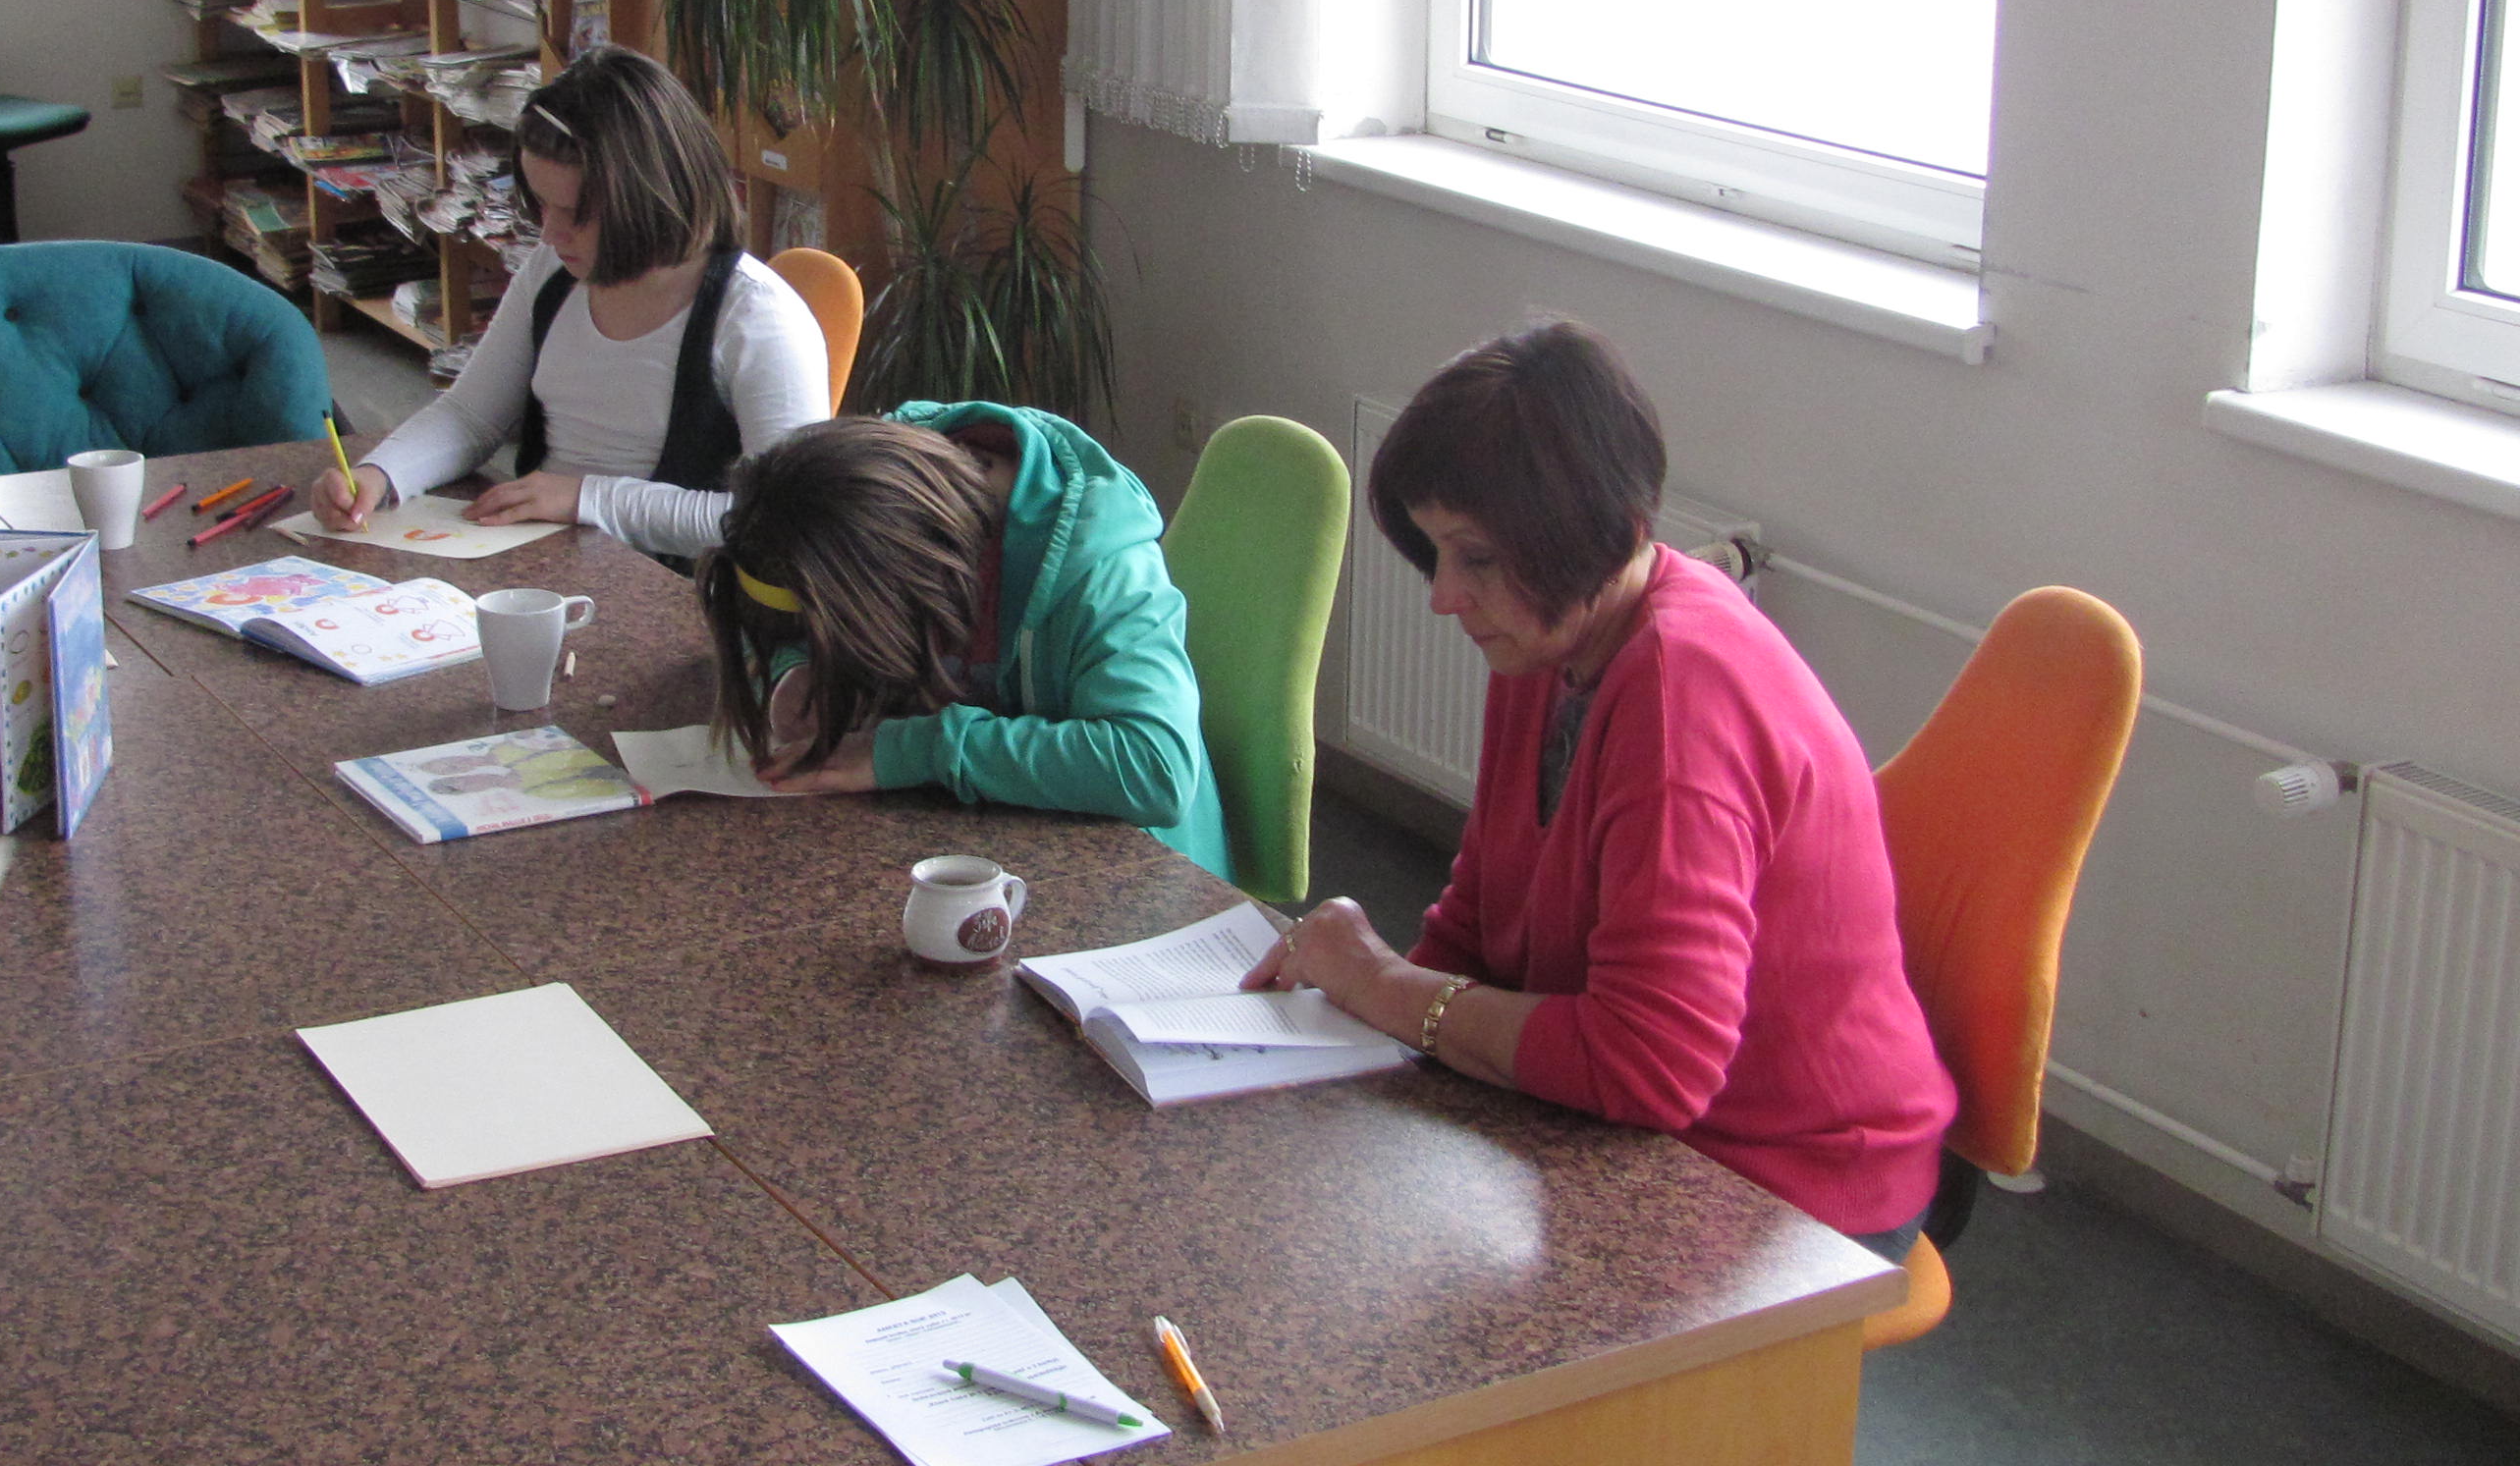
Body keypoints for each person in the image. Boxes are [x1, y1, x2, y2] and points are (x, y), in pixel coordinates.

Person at [1241, 324, 1954, 1253]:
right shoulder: (1552, 641)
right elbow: (1483, 916)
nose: (1443, 596)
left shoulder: (1679, 697)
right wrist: (1375, 1033)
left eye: (1476, 557)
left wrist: (1382, 984)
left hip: (1792, 1180)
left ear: (1589, 538)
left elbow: (1653, 1068)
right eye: (1438, 554)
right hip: (1647, 1124)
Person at [310, 46, 830, 560]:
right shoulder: (552, 271)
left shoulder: (756, 317)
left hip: (674, 580)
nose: (549, 233)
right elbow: (471, 414)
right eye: (540, 203)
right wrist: (381, 474)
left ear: (650, 198)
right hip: (547, 554)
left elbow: (783, 523)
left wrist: (588, 498)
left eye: (577, 213)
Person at [693, 407, 1226, 875]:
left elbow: (1154, 768)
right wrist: (790, 674)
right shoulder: (853, 497)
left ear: (909, 589)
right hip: (963, 831)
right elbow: (769, 621)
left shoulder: (1101, 568)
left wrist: (909, 751)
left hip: (1127, 875)